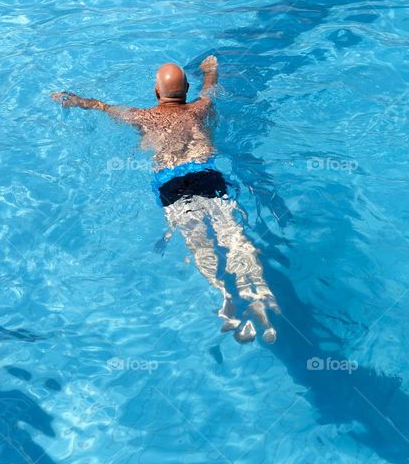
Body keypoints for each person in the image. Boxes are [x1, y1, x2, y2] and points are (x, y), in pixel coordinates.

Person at [51, 56, 280, 343]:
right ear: (186, 90)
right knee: (233, 236)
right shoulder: (200, 108)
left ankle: (224, 295)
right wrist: (210, 70)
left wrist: (73, 100)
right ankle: (260, 293)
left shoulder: (141, 117)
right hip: (206, 175)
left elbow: (103, 107)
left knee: (199, 243)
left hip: (172, 185)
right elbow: (210, 90)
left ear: (156, 92)